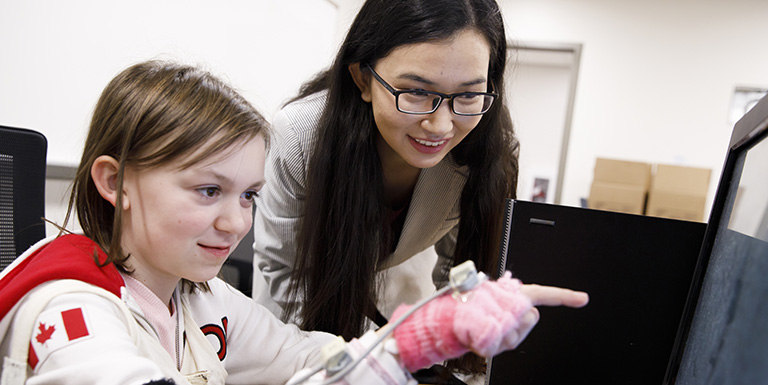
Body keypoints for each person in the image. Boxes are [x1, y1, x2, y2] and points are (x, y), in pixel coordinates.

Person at [0, 60, 587, 385]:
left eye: (249, 195)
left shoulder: (199, 300)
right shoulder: (72, 314)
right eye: (209, 191)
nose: (235, 223)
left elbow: (308, 357)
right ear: (114, 182)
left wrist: (421, 338)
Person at [252, 0, 528, 374]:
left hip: (385, 298)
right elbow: (286, 275)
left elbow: (463, 277)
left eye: (467, 95)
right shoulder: (302, 136)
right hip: (304, 317)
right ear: (363, 78)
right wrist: (382, 354)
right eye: (416, 91)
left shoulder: (487, 151)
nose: (441, 126)